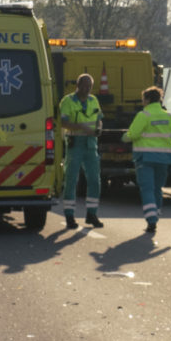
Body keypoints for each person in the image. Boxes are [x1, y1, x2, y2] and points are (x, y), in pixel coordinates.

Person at [123, 86, 171, 234]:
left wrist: (124, 137)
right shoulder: (168, 117)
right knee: (157, 189)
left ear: (147, 99)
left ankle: (151, 220)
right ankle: (155, 213)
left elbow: (133, 134)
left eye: (143, 99)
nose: (142, 102)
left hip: (145, 159)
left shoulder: (143, 115)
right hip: (163, 159)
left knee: (147, 189)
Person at [58, 72, 105, 228]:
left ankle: (92, 214)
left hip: (91, 144)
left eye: (89, 86)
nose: (86, 89)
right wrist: (82, 128)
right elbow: (63, 123)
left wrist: (98, 129)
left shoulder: (93, 100)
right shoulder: (68, 101)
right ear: (77, 85)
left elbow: (99, 119)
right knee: (71, 180)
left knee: (94, 180)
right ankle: (70, 216)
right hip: (75, 143)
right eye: (84, 85)